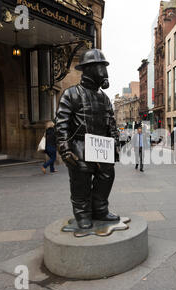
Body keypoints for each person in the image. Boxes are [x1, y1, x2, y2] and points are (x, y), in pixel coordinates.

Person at [54, 48, 120, 229]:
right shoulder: (71, 94)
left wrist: (114, 141)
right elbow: (62, 123)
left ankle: (100, 209)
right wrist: (65, 148)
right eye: (100, 67)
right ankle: (83, 213)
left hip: (102, 146)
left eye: (104, 67)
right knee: (81, 179)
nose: (103, 72)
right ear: (88, 69)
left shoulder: (104, 98)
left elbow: (111, 123)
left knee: (106, 175)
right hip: (80, 145)